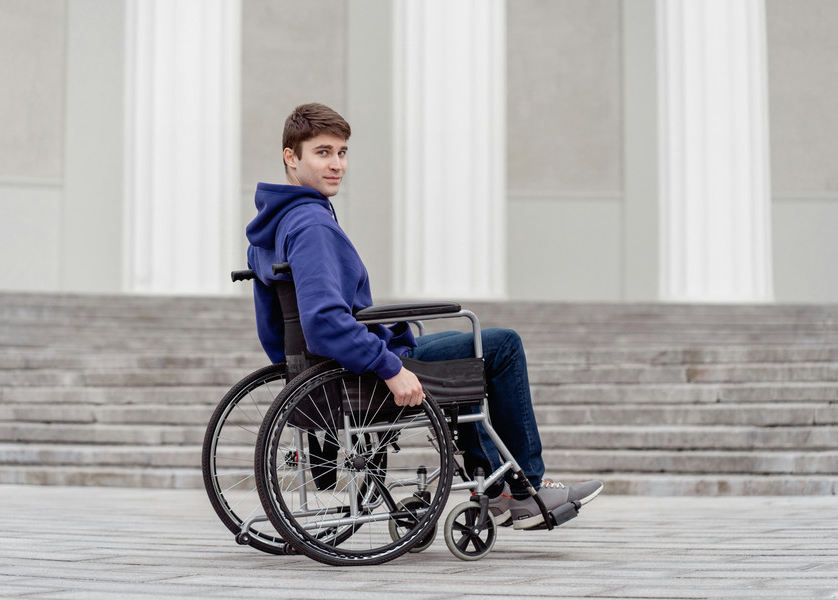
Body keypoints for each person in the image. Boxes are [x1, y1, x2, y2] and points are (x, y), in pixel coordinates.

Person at [246, 102, 602, 529]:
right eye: (323, 153)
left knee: (467, 354)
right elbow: (323, 321)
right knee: (501, 346)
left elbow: (274, 330)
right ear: (291, 156)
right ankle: (523, 491)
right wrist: (389, 367)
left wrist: (297, 375)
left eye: (342, 153)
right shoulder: (312, 226)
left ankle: (495, 485)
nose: (337, 164)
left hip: (333, 370)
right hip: (360, 371)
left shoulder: (273, 226)